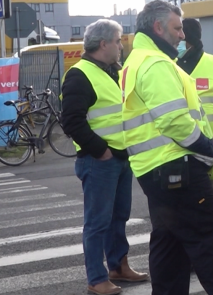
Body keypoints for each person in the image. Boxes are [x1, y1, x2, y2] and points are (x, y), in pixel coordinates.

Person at [121, 0, 213, 294]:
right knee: (210, 238)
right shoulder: (155, 63)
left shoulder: (137, 60)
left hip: (155, 171)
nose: (182, 35)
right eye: (177, 28)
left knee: (169, 245)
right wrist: (209, 150)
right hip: (178, 166)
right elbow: (174, 121)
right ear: (158, 27)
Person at [62, 19, 149, 295]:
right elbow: (72, 121)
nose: (121, 45)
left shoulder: (115, 71)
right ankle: (96, 278)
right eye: (118, 40)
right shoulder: (80, 74)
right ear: (104, 44)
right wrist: (101, 151)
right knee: (98, 222)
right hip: (99, 160)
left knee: (119, 216)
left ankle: (118, 266)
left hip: (121, 157)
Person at [176, 18, 213, 195]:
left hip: (209, 146)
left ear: (189, 40)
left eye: (181, 38)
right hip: (175, 143)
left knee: (207, 199)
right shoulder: (169, 65)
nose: (177, 42)